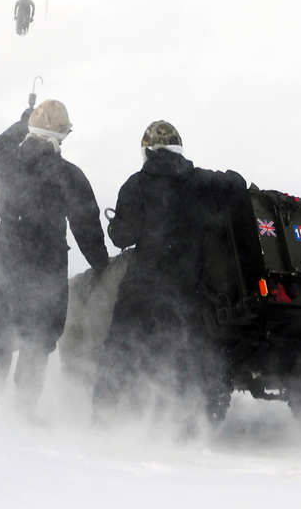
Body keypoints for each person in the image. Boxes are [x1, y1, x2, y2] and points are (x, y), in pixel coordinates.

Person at [92, 120, 248, 425]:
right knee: (187, 357)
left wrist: (114, 224)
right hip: (183, 292)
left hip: (139, 288)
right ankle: (190, 428)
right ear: (179, 149)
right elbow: (238, 183)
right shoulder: (200, 182)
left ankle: (101, 418)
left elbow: (122, 236)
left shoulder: (135, 185)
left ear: (146, 150)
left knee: (118, 352)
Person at [0, 99, 108, 413]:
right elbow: (87, 227)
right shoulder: (69, 176)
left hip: (6, 260)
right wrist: (101, 266)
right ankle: (23, 413)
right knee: (38, 340)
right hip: (46, 266)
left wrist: (23, 121)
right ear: (63, 135)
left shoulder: (5, 159)